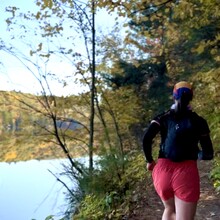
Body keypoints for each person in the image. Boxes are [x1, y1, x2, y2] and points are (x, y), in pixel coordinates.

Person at [142, 81, 214, 220]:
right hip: (186, 172)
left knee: (169, 209)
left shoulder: (162, 117)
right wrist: (198, 154)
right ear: (191, 97)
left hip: (162, 171)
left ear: (174, 96)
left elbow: (146, 139)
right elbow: (208, 154)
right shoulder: (199, 121)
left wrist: (149, 161)